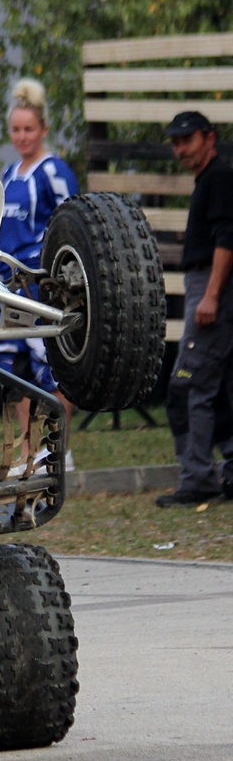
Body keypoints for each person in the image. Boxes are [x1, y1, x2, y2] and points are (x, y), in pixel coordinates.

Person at [0, 78, 79, 468]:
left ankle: (57, 449)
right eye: (16, 129)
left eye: (29, 129)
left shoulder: (54, 171)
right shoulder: (8, 173)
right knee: (8, 369)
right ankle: (27, 453)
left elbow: (73, 221)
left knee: (51, 370)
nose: (22, 136)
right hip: (8, 287)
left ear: (43, 129)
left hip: (42, 285)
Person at [156, 110, 233, 508]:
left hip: (212, 287)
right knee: (222, 387)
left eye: (187, 140)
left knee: (189, 386)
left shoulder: (218, 177)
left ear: (209, 137)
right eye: (175, 142)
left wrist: (211, 296)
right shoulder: (210, 179)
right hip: (209, 286)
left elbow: (226, 239)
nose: (180, 149)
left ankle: (198, 478)